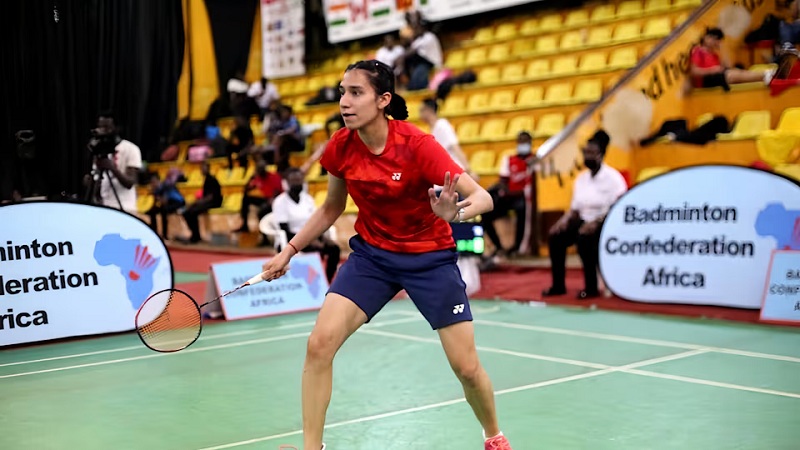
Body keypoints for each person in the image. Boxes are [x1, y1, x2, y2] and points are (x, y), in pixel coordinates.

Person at [259, 60, 513, 450]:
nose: (344, 101)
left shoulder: (417, 146)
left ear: (383, 100)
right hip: (373, 257)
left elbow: (484, 197)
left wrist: (455, 213)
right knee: (319, 344)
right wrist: (289, 251)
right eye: (342, 91)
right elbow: (330, 208)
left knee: (465, 366)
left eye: (355, 93)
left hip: (429, 258)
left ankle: (493, 435)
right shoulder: (340, 146)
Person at [543, 130, 627, 299]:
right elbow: (575, 209)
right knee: (556, 237)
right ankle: (558, 286)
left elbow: (619, 207)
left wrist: (596, 222)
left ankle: (591, 288)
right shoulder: (581, 179)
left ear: (601, 154)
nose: (587, 156)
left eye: (591, 153)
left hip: (605, 222)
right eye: (585, 152)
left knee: (584, 239)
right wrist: (564, 220)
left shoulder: (613, 178)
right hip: (583, 220)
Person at [272, 168, 341, 283]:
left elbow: (316, 221)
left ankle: (327, 280)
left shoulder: (308, 199)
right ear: (287, 183)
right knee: (318, 248)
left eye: (299, 180)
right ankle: (311, 282)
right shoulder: (280, 202)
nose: (297, 183)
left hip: (312, 234)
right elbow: (284, 229)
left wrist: (318, 237)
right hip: (292, 238)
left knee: (334, 248)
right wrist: (307, 240)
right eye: (294, 181)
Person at [482, 131, 536, 259]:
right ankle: (498, 247)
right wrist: (506, 192)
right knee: (486, 212)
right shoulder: (509, 160)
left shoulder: (535, 161)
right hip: (509, 196)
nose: (522, 144)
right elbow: (503, 181)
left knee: (522, 208)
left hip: (524, 198)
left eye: (525, 142)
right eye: (520, 141)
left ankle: (517, 248)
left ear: (530, 143)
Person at [88, 111, 142, 214]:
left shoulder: (131, 149)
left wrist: (112, 168)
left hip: (125, 208)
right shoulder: (99, 150)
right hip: (104, 208)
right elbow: (96, 182)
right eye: (100, 127)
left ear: (117, 128)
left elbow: (130, 182)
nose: (103, 131)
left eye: (107, 127)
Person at [689, 28, 775, 91]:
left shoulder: (714, 54)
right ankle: (765, 75)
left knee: (736, 71)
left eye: (717, 40)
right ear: (706, 38)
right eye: (712, 38)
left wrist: (722, 48)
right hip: (706, 80)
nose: (714, 41)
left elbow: (728, 66)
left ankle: (766, 75)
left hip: (717, 77)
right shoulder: (698, 51)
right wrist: (712, 70)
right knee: (730, 75)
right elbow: (694, 71)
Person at [419, 98, 472, 172]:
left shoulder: (442, 125)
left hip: (454, 170)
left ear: (429, 110)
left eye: (421, 110)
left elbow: (455, 146)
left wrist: (468, 170)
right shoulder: (432, 130)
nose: (419, 114)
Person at [179, 161, 222, 244]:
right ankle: (194, 234)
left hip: (214, 202)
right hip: (208, 201)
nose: (202, 170)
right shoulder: (206, 180)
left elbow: (210, 197)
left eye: (203, 168)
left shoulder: (212, 180)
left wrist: (197, 203)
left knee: (192, 212)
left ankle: (196, 236)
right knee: (187, 212)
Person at [237, 158, 284, 233]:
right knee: (246, 199)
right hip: (264, 199)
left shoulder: (274, 176)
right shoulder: (257, 178)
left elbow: (278, 191)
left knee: (262, 211)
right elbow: (246, 189)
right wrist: (251, 177)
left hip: (275, 200)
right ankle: (244, 225)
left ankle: (264, 236)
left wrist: (272, 201)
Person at [146, 171, 185, 240]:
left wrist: (157, 197)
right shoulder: (156, 190)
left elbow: (164, 201)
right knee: (152, 211)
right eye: (151, 182)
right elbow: (156, 203)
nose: (152, 184)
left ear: (158, 181)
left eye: (154, 182)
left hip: (178, 202)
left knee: (164, 211)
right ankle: (154, 233)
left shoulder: (165, 186)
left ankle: (165, 235)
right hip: (169, 203)